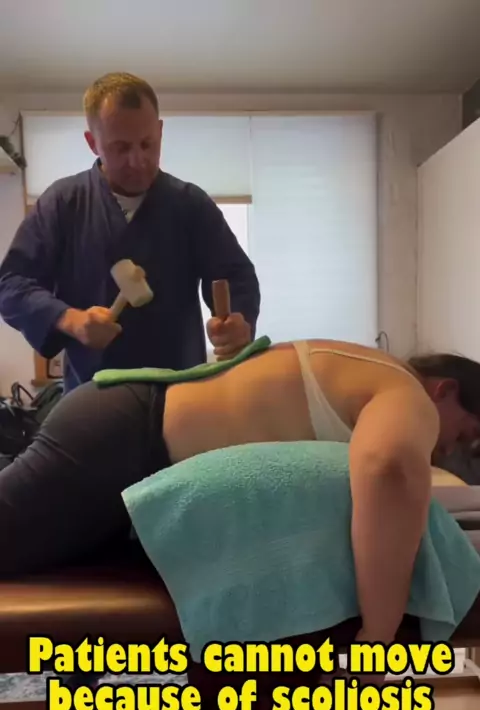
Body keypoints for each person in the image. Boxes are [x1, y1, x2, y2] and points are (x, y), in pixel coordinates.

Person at [1, 336, 480, 649]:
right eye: (463, 434)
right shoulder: (409, 396)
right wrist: (379, 633)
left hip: (123, 428)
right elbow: (387, 468)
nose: (448, 450)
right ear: (445, 390)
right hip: (122, 440)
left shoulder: (371, 370)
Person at [0, 72, 260, 393]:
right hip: (91, 396)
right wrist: (70, 320)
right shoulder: (62, 203)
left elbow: (236, 275)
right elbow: (10, 285)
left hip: (179, 396)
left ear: (160, 132)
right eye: (121, 148)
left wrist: (238, 321)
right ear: (92, 143)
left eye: (147, 144)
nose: (138, 161)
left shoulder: (191, 204)